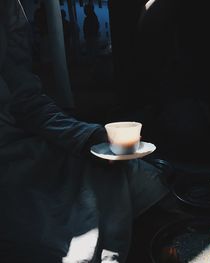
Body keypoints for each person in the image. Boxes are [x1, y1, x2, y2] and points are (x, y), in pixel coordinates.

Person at [0, 1, 168, 263]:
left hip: (25, 147)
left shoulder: (7, 9)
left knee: (135, 174)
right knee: (72, 241)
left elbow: (26, 100)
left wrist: (86, 136)